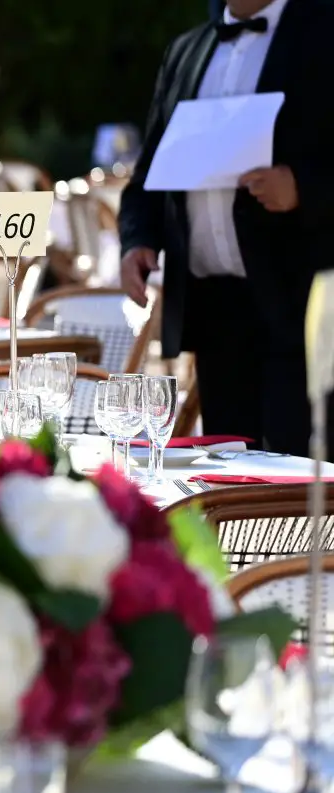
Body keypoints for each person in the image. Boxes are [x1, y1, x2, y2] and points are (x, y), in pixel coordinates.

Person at [118, 0, 334, 457]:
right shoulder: (185, 51)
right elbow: (147, 179)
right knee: (228, 481)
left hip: (300, 307)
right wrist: (138, 240)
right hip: (213, 314)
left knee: (299, 491)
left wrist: (303, 188)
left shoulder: (324, 30)